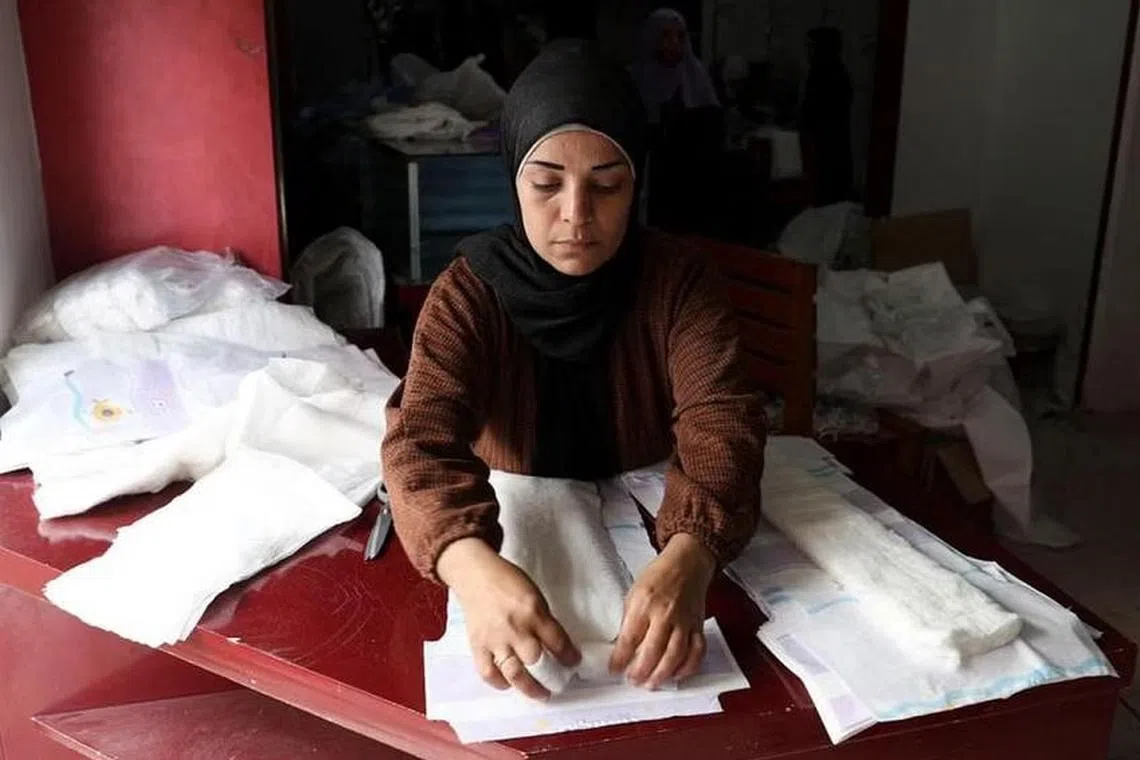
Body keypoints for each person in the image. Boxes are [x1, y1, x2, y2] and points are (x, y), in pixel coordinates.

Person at [382, 39, 766, 701]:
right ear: (513, 179)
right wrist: (470, 569)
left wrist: (692, 554)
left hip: (648, 507)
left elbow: (723, 420)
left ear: (637, 183)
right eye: (546, 183)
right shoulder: (469, 294)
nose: (576, 214)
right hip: (520, 502)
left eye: (607, 185)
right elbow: (421, 440)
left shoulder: (679, 283)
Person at [629, 8, 719, 125]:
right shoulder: (635, 78)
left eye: (680, 36)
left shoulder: (695, 76)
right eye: (666, 35)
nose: (675, 42)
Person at [799, 26, 854, 206]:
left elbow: (813, 113)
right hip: (833, 149)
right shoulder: (837, 72)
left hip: (825, 150)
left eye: (811, 46)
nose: (807, 52)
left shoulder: (823, 75)